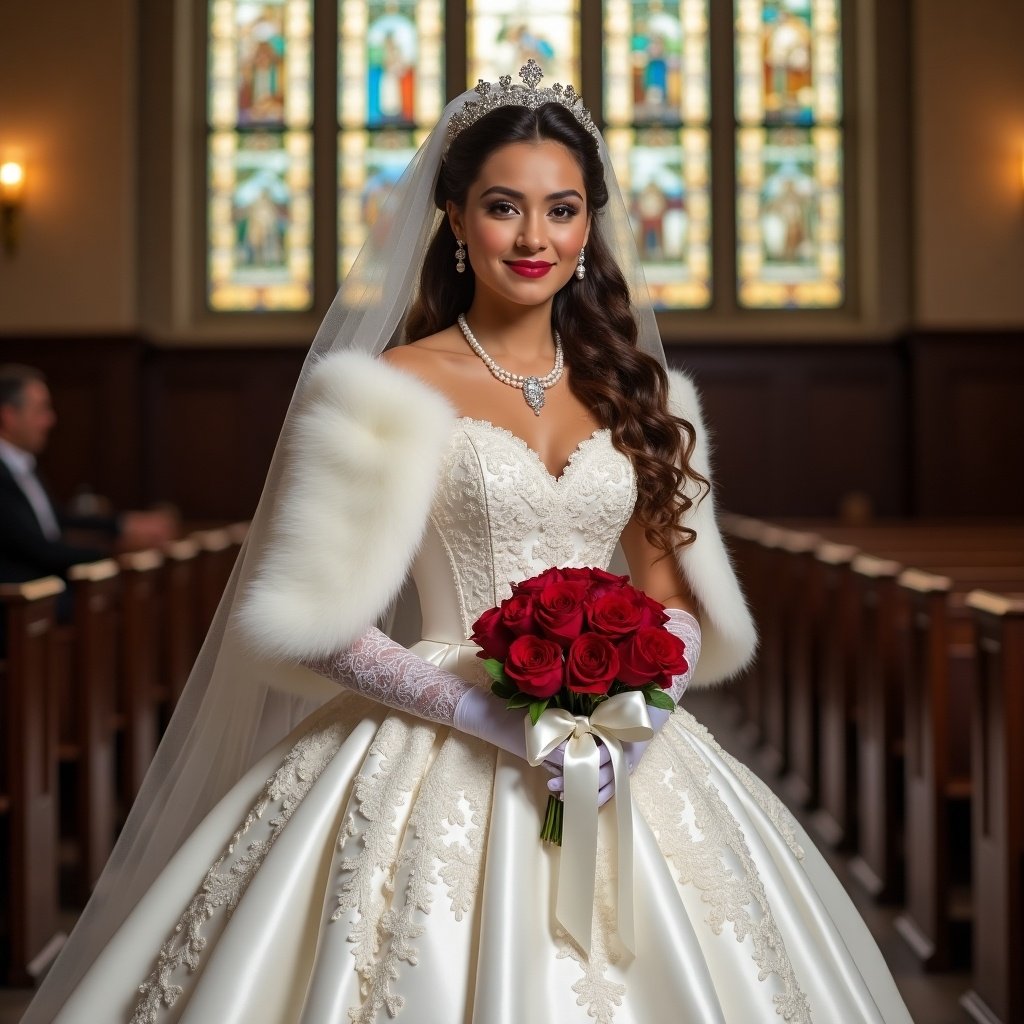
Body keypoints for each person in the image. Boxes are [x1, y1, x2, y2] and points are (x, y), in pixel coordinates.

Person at [25, 65, 912, 1023]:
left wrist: (640, 713)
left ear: (589, 226)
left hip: (624, 737)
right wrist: (490, 717)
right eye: (504, 207)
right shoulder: (382, 388)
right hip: (439, 727)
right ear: (454, 217)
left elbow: (674, 602)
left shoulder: (641, 394)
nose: (535, 238)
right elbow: (319, 626)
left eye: (562, 210)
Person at [0, 364, 177, 588]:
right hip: (22, 600)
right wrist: (116, 550)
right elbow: (36, 549)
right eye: (40, 410)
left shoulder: (25, 465)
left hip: (49, 589)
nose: (50, 420)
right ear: (8, 416)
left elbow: (57, 521)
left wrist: (123, 524)